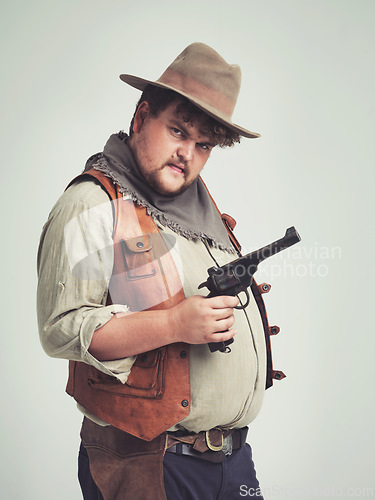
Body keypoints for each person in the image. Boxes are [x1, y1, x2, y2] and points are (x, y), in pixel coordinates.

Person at [37, 42, 284, 499]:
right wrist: (174, 323)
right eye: (177, 131)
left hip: (231, 461)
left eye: (203, 144)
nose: (187, 154)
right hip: (149, 462)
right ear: (140, 118)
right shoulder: (93, 205)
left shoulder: (201, 211)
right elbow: (61, 328)